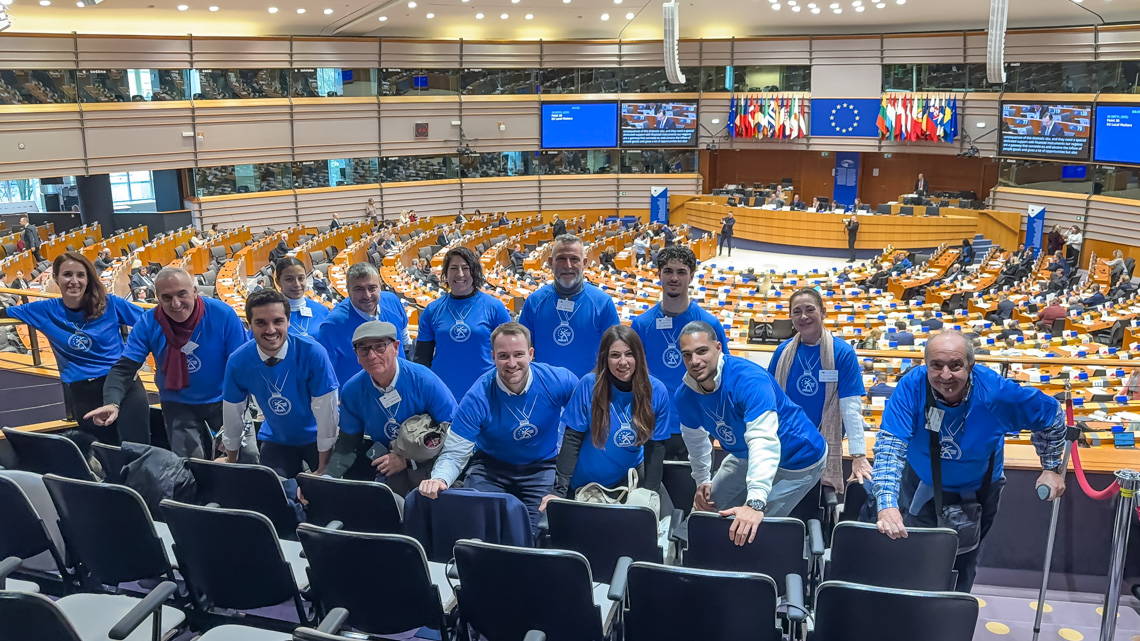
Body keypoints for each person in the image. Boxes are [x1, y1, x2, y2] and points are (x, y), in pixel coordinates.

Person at [871, 331, 1066, 592]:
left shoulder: (996, 394)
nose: (945, 376)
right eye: (936, 366)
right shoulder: (911, 386)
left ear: (970, 365)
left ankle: (952, 610)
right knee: (913, 558)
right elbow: (890, 446)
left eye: (955, 366)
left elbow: (1052, 414)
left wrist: (1050, 466)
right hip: (919, 485)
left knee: (963, 563)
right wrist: (886, 504)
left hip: (977, 492)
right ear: (925, 365)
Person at [676, 321, 828, 546]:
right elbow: (696, 442)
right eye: (687, 355)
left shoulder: (749, 380)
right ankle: (690, 559)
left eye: (701, 351)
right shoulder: (685, 396)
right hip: (745, 454)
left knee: (750, 529)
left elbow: (763, 441)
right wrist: (702, 481)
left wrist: (755, 502)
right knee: (704, 509)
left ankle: (737, 562)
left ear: (718, 347)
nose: (694, 361)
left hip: (798, 459)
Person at [419, 322, 578, 533]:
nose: (511, 363)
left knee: (537, 532)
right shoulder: (477, 396)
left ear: (531, 354)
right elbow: (455, 453)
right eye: (503, 356)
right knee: (480, 528)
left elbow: (586, 415)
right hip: (491, 469)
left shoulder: (559, 381)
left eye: (518, 354)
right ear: (493, 356)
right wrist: (439, 479)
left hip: (541, 467)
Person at [84, 267, 248, 458]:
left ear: (195, 291)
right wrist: (112, 402)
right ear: (158, 298)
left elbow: (241, 366)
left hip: (223, 399)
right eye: (167, 298)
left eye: (182, 294)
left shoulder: (222, 314)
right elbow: (124, 368)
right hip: (178, 403)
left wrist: (238, 411)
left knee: (246, 456)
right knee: (190, 464)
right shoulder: (149, 322)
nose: (176, 304)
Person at [1, 252, 149, 445]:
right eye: (67, 274)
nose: (74, 281)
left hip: (123, 384)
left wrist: (134, 355)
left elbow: (151, 323)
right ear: (56, 278)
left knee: (137, 448)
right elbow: (4, 312)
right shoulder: (44, 310)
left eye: (80, 275)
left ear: (88, 279)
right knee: (104, 451)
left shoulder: (110, 303)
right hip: (84, 392)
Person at [541, 325, 671, 509]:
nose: (623, 362)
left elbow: (655, 448)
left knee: (666, 519)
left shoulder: (656, 390)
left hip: (628, 480)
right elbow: (572, 439)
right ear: (605, 358)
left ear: (639, 356)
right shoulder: (589, 385)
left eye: (629, 354)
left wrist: (650, 494)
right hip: (586, 483)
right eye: (615, 355)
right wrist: (559, 491)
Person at [327, 321, 456, 493]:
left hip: (432, 466)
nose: (372, 355)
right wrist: (327, 478)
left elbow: (455, 433)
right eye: (364, 349)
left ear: (395, 347)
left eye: (380, 347)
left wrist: (407, 461)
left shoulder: (424, 380)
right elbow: (347, 445)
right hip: (388, 465)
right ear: (356, 354)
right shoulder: (352, 390)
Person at [221, 290, 339, 478]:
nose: (270, 330)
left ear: (288, 322)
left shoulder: (313, 353)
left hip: (318, 436)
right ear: (249, 325)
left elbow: (327, 413)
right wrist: (231, 459)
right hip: (277, 437)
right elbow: (232, 413)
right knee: (273, 488)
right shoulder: (238, 361)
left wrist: (323, 468)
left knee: (325, 487)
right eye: (261, 323)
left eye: (278, 321)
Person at [769, 288, 872, 491]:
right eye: (797, 311)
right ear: (790, 317)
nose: (803, 316)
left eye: (810, 309)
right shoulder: (782, 352)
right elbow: (769, 397)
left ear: (823, 312)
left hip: (823, 442)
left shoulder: (842, 352)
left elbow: (850, 407)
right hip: (787, 441)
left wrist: (859, 455)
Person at [632, 245, 729, 459]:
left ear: (691, 276)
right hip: (654, 425)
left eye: (681, 272)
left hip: (699, 424)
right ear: (659, 274)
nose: (674, 278)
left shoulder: (709, 324)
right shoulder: (641, 325)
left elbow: (724, 376)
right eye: (668, 271)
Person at [414, 247, 512, 401]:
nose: (460, 274)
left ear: (474, 271)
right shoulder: (432, 310)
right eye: (453, 268)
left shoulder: (494, 307)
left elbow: (510, 355)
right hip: (443, 394)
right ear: (446, 273)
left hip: (485, 394)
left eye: (465, 268)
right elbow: (422, 360)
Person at [518, 234, 620, 378]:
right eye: (561, 259)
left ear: (584, 262)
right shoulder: (534, 302)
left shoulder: (603, 303)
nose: (568, 265)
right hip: (546, 388)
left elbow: (614, 352)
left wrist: (588, 384)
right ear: (550, 262)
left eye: (574, 259)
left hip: (589, 388)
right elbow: (521, 351)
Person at [315, 262, 409, 386]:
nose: (367, 295)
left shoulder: (393, 301)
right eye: (358, 289)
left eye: (372, 288)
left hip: (400, 386)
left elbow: (405, 340)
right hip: (359, 394)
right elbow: (323, 372)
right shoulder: (331, 326)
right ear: (348, 290)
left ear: (380, 286)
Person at [272, 257, 329, 338]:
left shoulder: (322, 311)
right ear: (278, 282)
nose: (297, 284)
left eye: (301, 278)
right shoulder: (266, 316)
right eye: (289, 279)